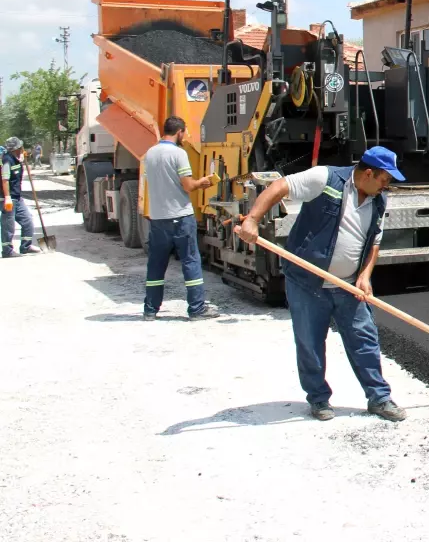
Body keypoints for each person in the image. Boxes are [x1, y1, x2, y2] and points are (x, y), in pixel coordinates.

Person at [235, 147, 408, 422]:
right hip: (308, 282)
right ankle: (318, 399)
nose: (387, 185)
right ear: (368, 173)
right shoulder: (325, 179)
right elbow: (279, 186)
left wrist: (364, 275)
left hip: (349, 285)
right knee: (310, 343)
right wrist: (253, 220)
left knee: (365, 341)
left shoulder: (378, 201)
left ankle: (379, 398)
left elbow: (374, 241)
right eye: (385, 179)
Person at [142, 117, 219, 320]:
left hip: (158, 219)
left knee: (156, 265)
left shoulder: (149, 154)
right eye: (184, 133)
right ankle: (196, 309)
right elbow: (187, 186)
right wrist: (202, 182)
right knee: (191, 262)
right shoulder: (178, 154)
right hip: (181, 217)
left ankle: (150, 309)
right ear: (180, 132)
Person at [2, 138, 40, 258]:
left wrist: (22, 161)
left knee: (27, 220)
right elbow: (5, 180)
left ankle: (26, 246)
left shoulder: (15, 159)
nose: (22, 149)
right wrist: (7, 197)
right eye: (21, 148)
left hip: (17, 197)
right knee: (8, 225)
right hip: (8, 198)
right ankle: (7, 251)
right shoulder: (7, 160)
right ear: (16, 149)